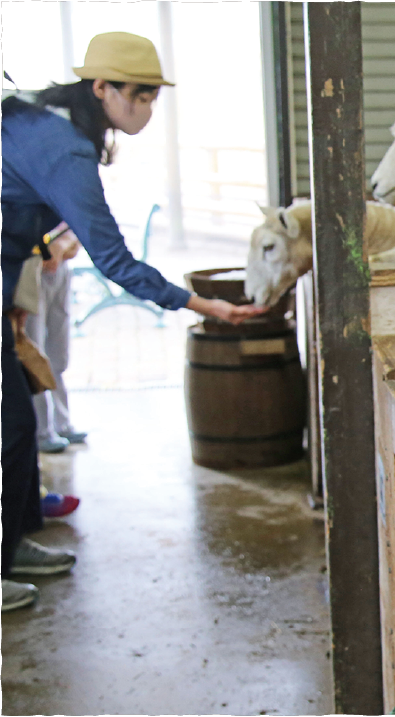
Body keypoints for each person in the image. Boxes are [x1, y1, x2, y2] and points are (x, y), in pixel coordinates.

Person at [1, 31, 265, 612]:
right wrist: (204, 305)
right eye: (137, 96)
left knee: (18, 419)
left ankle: (13, 546)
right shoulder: (66, 148)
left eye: (152, 97)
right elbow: (115, 261)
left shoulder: (46, 120)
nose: (145, 108)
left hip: (8, 272)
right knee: (14, 426)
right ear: (101, 89)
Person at [24, 223, 85, 453]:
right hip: (30, 268)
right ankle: (43, 430)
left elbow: (72, 230)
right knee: (34, 350)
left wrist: (63, 243)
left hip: (60, 268)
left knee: (58, 353)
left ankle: (62, 423)